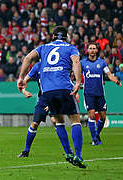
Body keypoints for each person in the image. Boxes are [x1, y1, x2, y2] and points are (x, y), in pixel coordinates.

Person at [17, 26, 86, 168]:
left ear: (53, 35)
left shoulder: (43, 48)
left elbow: (28, 57)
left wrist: (20, 77)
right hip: (64, 88)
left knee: (59, 121)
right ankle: (78, 156)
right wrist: (78, 82)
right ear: (66, 37)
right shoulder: (71, 48)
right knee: (75, 121)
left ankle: (68, 153)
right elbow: (76, 62)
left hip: (48, 91)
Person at [81, 42, 122, 145]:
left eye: (94, 48)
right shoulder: (83, 63)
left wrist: (116, 81)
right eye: (90, 48)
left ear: (97, 50)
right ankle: (94, 139)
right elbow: (77, 75)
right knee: (91, 115)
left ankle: (97, 135)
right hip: (88, 93)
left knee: (103, 116)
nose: (92, 50)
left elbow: (109, 74)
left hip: (99, 93)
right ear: (88, 50)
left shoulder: (102, 63)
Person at [18, 62, 57, 157]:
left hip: (55, 97)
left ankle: (68, 150)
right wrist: (24, 91)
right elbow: (24, 82)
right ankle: (26, 151)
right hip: (43, 99)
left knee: (55, 120)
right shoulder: (38, 66)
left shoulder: (56, 66)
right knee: (35, 124)